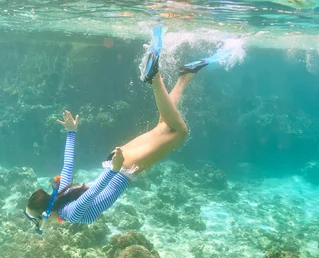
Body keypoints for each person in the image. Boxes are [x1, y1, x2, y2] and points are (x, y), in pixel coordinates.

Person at [24, 31, 208, 234]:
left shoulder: (70, 213)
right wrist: (72, 133)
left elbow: (92, 193)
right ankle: (185, 75)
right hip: (116, 163)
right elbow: (67, 164)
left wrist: (114, 169)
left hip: (122, 167)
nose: (36, 225)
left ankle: (154, 77)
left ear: (45, 213)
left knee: (180, 132)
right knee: (165, 126)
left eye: (35, 220)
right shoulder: (62, 194)